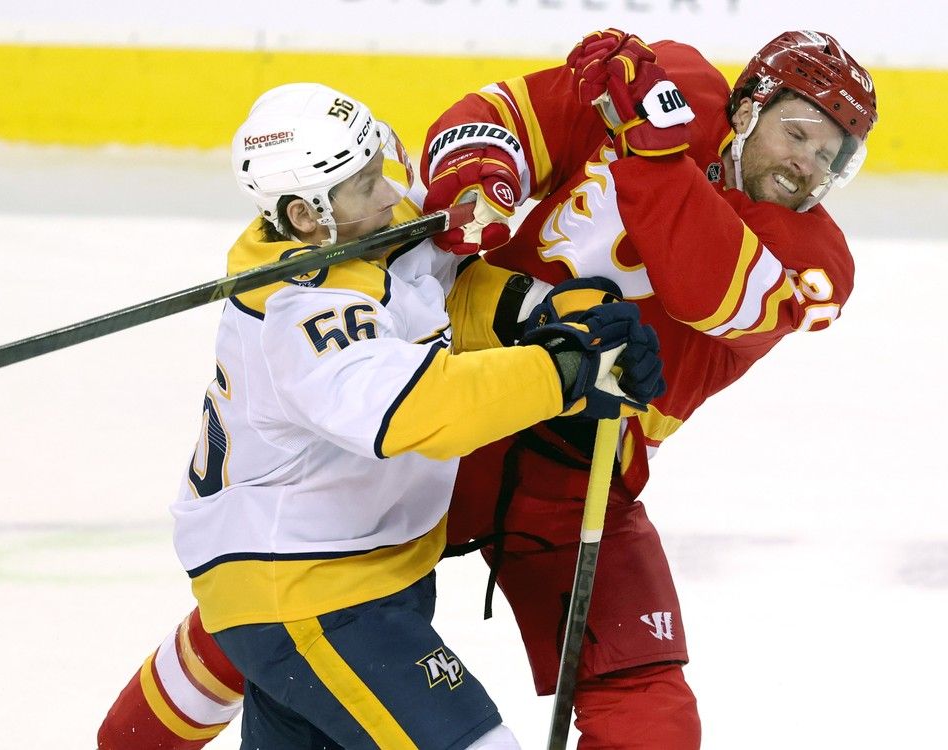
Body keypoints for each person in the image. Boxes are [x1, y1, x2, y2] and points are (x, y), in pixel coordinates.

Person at [97, 29, 877, 749]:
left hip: (576, 463)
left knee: (643, 691)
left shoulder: (818, 266)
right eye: (798, 132)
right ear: (747, 109)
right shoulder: (668, 82)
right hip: (460, 393)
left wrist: (646, 152)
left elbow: (710, 287)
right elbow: (502, 117)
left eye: (831, 154)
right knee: (292, 599)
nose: (808, 164)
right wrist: (484, 182)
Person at [104, 80, 662, 750]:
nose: (392, 195)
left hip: (359, 574)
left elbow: (437, 296)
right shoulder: (302, 312)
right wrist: (567, 371)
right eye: (366, 183)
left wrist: (550, 312)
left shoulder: (358, 240)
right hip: (313, 595)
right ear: (307, 217)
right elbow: (418, 411)